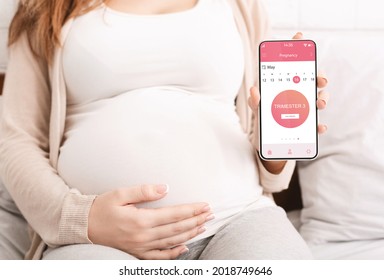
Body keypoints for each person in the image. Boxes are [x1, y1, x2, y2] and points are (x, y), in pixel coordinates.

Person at [0, 0, 328, 260]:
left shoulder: (242, 5)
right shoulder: (45, 7)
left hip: (239, 220)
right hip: (97, 242)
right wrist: (81, 220)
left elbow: (271, 167)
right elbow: (17, 138)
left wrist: (279, 138)